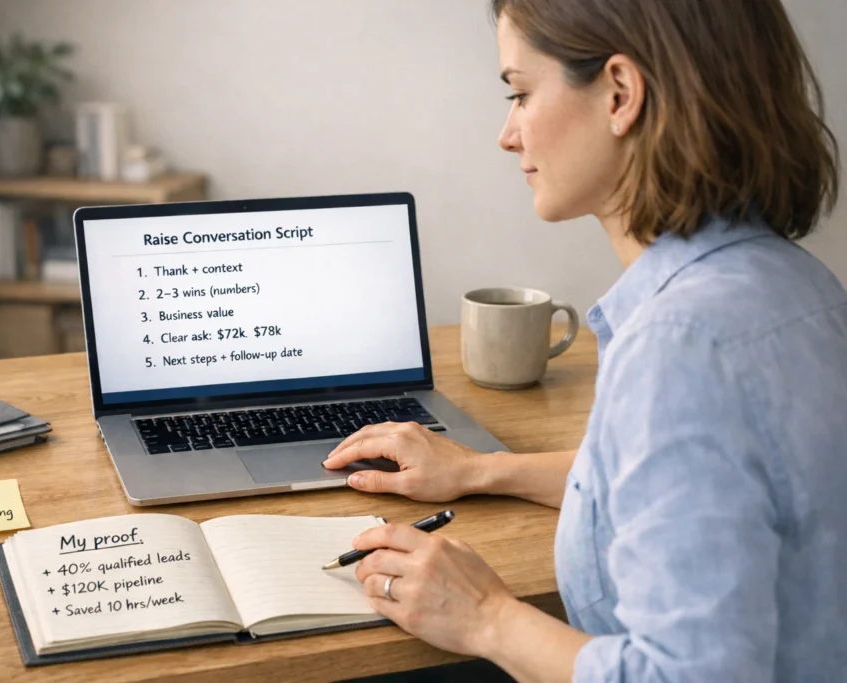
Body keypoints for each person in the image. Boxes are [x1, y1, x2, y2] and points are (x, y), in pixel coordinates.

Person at [325, 0, 846, 681]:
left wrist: (487, 614)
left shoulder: (680, 346)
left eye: (520, 92)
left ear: (621, 94)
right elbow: (686, 486)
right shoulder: (798, 284)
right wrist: (480, 470)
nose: (507, 134)